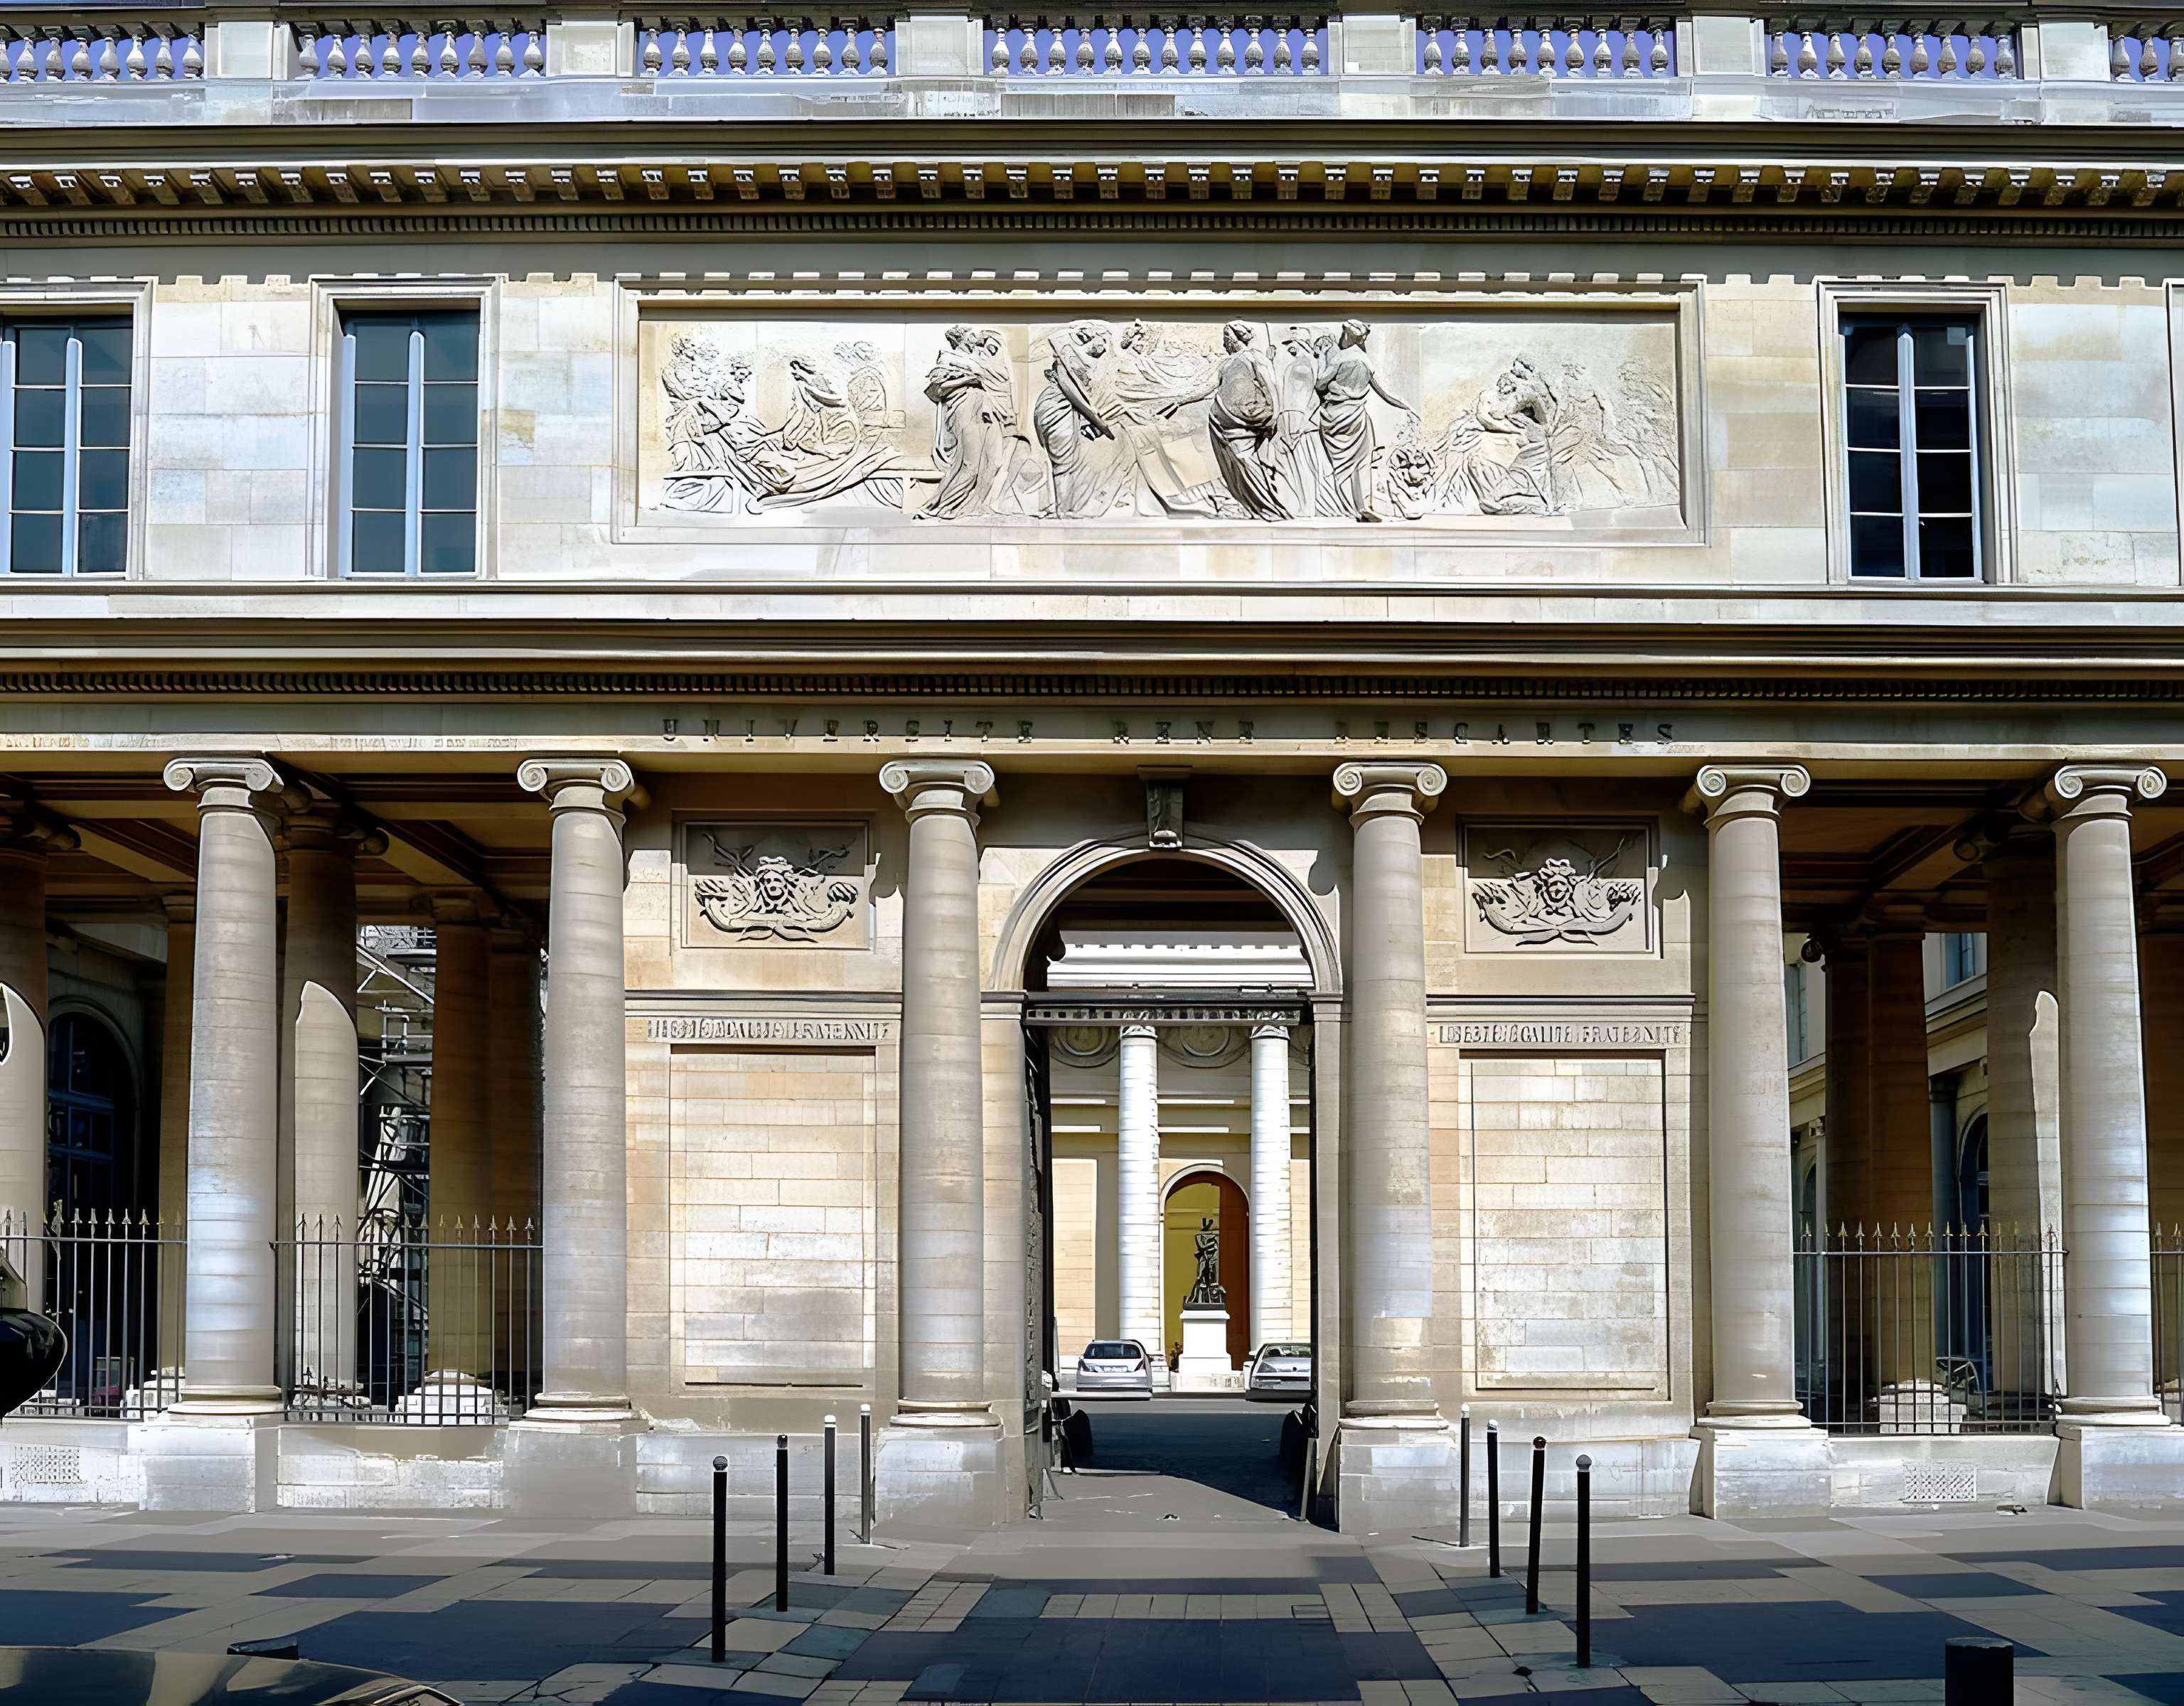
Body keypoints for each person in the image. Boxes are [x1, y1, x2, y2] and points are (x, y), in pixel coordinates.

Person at [1315, 319, 1416, 522]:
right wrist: (1407, 408)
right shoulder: (1365, 360)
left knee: (1341, 465)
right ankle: (1365, 505)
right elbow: (1385, 394)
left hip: (1335, 416)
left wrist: (1323, 357)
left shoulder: (1339, 358)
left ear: (1345, 334)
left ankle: (1349, 507)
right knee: (1362, 462)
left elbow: (1320, 384)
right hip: (1357, 418)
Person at [1204, 320, 1288, 520]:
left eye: (1226, 340)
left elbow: (1271, 385)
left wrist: (1274, 417)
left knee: (1246, 461)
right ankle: (1245, 502)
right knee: (1235, 463)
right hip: (1224, 422)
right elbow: (1212, 387)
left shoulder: (1254, 357)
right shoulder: (1225, 363)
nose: (1225, 345)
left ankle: (1268, 507)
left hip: (1250, 420)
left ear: (1233, 339)